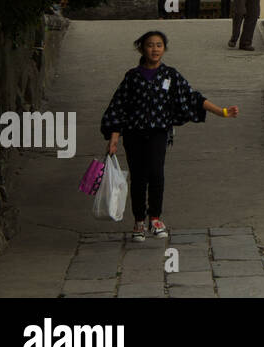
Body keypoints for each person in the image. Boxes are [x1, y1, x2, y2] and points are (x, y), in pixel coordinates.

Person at [101, 31, 239, 241]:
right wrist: (114, 139)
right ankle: (139, 221)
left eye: (159, 45)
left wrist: (221, 111)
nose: (155, 49)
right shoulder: (132, 77)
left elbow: (192, 97)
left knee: (156, 174)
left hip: (158, 132)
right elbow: (119, 107)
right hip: (134, 135)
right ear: (141, 49)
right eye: (150, 45)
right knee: (138, 178)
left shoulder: (170, 75)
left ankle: (155, 218)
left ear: (164, 49)